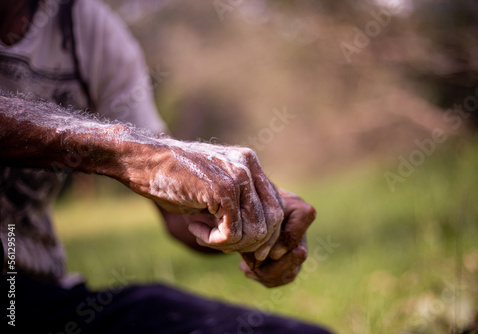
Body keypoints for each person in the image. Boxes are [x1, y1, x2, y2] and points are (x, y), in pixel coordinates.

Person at [0, 0, 332, 333]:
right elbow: (145, 156)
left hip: (32, 298)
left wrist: (251, 210)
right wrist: (130, 153)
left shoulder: (86, 26)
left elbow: (176, 209)